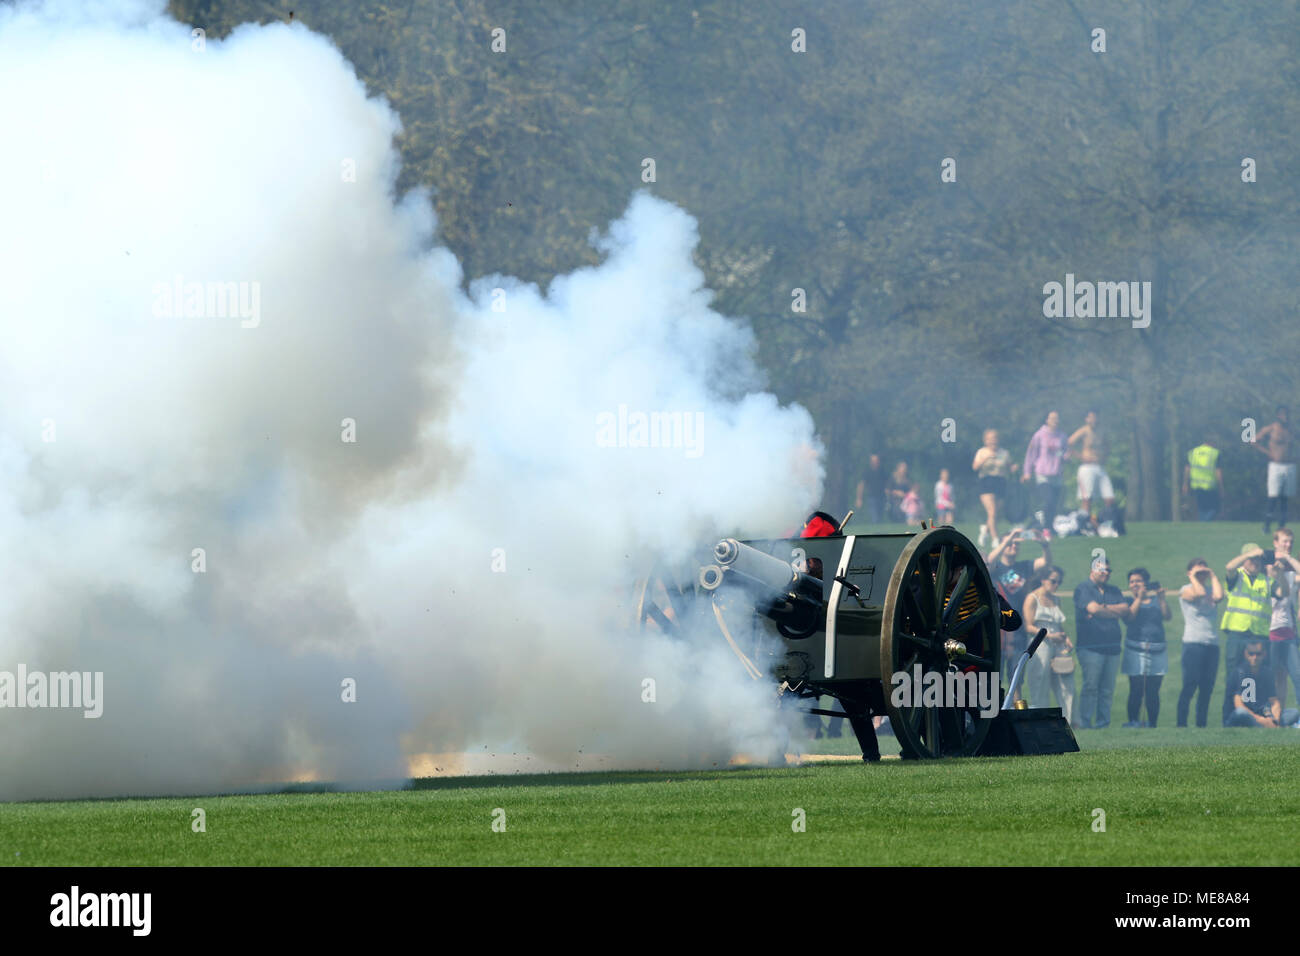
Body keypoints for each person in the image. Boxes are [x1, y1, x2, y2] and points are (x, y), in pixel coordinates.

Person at [986, 528, 1052, 691]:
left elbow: (1046, 563)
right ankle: (996, 713)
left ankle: (1016, 712)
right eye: (1011, 544)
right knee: (995, 680)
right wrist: (1009, 538)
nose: (1014, 546)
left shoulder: (1024, 566)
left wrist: (1044, 545)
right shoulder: (996, 567)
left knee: (1016, 680)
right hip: (999, 630)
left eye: (1016, 544)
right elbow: (989, 560)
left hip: (1019, 628)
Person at [1073, 555, 1128, 728]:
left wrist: (1102, 609)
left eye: (1108, 570)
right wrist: (1110, 610)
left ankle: (1103, 723)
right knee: (1090, 687)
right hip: (1090, 647)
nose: (1106, 573)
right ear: (1092, 570)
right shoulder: (1083, 588)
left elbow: (1125, 610)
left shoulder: (1114, 590)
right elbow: (1092, 609)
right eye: (1102, 569)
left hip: (1112, 647)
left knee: (1107, 690)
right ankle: (1085, 723)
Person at [1176, 557, 1225, 728]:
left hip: (1212, 644)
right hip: (1193, 643)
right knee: (1190, 684)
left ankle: (1201, 725)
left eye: (1204, 569)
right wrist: (1193, 577)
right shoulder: (1185, 589)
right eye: (1199, 570)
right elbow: (1199, 594)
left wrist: (1212, 575)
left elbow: (1219, 596)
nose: (1202, 573)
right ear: (1189, 572)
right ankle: (1181, 724)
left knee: (1207, 687)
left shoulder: (1212, 588)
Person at [1021, 565, 1074, 724]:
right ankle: (1040, 720)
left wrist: (1066, 639)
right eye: (1053, 581)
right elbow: (1029, 626)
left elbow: (1059, 624)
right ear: (1043, 580)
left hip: (1058, 643)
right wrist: (1050, 635)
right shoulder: (1032, 597)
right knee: (1039, 681)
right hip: (1040, 643)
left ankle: (1068, 721)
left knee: (1066, 684)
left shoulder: (1056, 599)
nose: (1056, 584)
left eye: (1059, 582)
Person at [1220, 543, 1272, 707]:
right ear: (1244, 559)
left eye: (1258, 559)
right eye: (1252, 559)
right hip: (1237, 633)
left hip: (1258, 634)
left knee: (1254, 678)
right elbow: (1229, 566)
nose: (1255, 562)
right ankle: (1230, 717)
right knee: (1233, 675)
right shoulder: (1237, 576)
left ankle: (1253, 716)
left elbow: (1282, 593)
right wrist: (1250, 554)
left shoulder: (1266, 580)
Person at [1120, 568, 1170, 727]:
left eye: (1138, 581)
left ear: (1146, 583)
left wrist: (1161, 598)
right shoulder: (1127, 601)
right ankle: (1133, 722)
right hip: (1136, 649)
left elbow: (1167, 616)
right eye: (1132, 582)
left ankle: (1153, 724)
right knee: (1136, 689)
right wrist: (1139, 599)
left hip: (1157, 650)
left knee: (1153, 690)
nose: (1135, 584)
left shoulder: (1155, 600)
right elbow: (1129, 618)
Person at [1224, 639, 1300, 728]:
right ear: (1245, 654)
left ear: (1264, 654)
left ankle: (1268, 726)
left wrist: (1275, 720)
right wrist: (1261, 720)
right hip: (1242, 714)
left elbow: (1274, 702)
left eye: (1258, 654)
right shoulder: (1239, 673)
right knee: (1241, 713)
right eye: (1251, 654)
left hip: (1262, 713)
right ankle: (1265, 726)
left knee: (1293, 712)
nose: (1254, 657)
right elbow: (1239, 705)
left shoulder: (1267, 673)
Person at [1265, 528, 1300, 709]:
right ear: (1276, 542)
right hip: (1268, 629)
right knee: (1272, 676)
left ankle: (1283, 716)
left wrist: (1288, 559)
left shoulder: (1292, 568)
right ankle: (1272, 716)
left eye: (1291, 542)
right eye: (1285, 541)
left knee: (1291, 675)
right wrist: (1279, 562)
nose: (1289, 545)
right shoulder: (1267, 562)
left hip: (1288, 629)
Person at [1022, 410, 1068, 529]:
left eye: (1057, 418)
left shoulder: (1062, 436)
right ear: (1047, 420)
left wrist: (1066, 457)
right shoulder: (1039, 435)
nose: (1055, 421)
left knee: (1054, 504)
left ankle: (1050, 528)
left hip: (1057, 474)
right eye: (1052, 418)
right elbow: (1031, 453)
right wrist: (1027, 472)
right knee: (1049, 500)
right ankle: (1046, 527)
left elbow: (1064, 452)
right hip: (1042, 474)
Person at [1067, 411, 1115, 521]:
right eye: (1091, 417)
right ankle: (1084, 523)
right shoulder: (1083, 431)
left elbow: (1108, 446)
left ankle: (1108, 522)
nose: (1094, 420)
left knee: (1109, 497)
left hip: (1100, 467)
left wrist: (1105, 457)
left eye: (1095, 417)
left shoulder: (1101, 431)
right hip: (1087, 468)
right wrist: (1079, 456)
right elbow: (1068, 442)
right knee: (1087, 499)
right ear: (1086, 419)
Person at [1254, 406, 1294, 535]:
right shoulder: (1271, 428)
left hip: (1290, 465)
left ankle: (1282, 526)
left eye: (1287, 414)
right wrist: (1268, 452)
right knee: (1273, 496)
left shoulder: (1291, 430)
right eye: (1283, 414)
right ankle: (1266, 525)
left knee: (1285, 498)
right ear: (1278, 415)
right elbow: (1254, 441)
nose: (1285, 417)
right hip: (1275, 465)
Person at [973, 430, 1015, 549]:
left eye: (995, 438)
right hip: (986, 482)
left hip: (1000, 482)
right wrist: (985, 459)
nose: (993, 440)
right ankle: (996, 539)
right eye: (990, 438)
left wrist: (1013, 468)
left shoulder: (1004, 453)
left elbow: (1009, 466)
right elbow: (975, 467)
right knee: (992, 512)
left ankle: (985, 530)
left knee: (996, 513)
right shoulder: (981, 452)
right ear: (985, 440)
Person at [1182, 433, 1224, 522]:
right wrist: (1221, 487)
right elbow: (1218, 472)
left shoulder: (1193, 452)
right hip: (1210, 485)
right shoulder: (1215, 453)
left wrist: (1185, 484)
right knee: (1214, 508)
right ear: (1213, 442)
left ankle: (1203, 524)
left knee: (1202, 508)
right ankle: (1205, 523)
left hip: (1196, 485)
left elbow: (1187, 469)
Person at [855, 454, 885, 525]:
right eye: (874, 461)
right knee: (874, 517)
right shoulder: (867, 472)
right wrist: (859, 498)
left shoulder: (882, 472)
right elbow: (861, 485)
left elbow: (887, 484)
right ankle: (876, 532)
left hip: (881, 497)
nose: (876, 462)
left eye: (877, 460)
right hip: (871, 498)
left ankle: (878, 531)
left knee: (880, 517)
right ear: (870, 462)